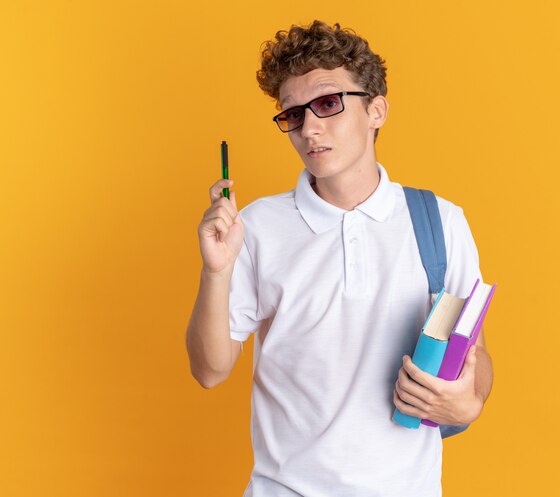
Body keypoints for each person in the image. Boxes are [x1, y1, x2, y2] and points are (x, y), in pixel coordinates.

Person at [186, 20, 493, 497]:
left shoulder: (439, 221)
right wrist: (216, 271)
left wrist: (467, 405)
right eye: (292, 114)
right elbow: (209, 370)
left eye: (328, 104)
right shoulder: (258, 226)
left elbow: (474, 355)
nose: (309, 128)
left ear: (376, 110)